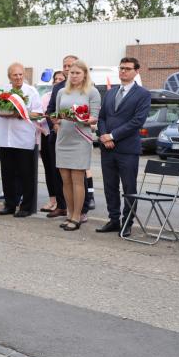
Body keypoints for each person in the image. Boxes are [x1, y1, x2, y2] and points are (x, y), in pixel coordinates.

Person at [96, 57, 151, 237]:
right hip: (108, 149)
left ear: (136, 71)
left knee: (129, 188)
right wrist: (104, 137)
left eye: (127, 69)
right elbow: (102, 117)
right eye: (121, 68)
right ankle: (113, 219)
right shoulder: (111, 93)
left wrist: (112, 136)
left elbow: (137, 122)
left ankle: (127, 222)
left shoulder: (142, 94)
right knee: (109, 186)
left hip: (127, 149)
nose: (123, 72)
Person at [52, 60, 100, 231]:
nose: (73, 76)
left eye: (77, 73)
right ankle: (69, 213)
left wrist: (83, 118)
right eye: (71, 73)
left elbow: (95, 117)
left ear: (84, 74)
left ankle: (77, 216)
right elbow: (57, 114)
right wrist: (55, 120)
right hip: (64, 139)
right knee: (65, 180)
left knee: (77, 179)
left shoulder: (92, 92)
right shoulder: (62, 92)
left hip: (81, 139)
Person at [0, 62, 43, 217]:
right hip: (5, 138)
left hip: (24, 139)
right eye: (15, 75)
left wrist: (21, 114)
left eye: (20, 74)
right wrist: (5, 112)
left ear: (24, 75)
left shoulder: (32, 91)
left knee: (25, 174)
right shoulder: (4, 92)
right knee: (7, 173)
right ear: (9, 76)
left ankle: (26, 207)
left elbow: (38, 113)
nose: (18, 77)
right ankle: (9, 204)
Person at [45, 55, 78, 218]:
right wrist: (55, 124)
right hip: (57, 136)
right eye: (64, 66)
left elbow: (84, 112)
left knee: (76, 176)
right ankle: (61, 205)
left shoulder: (84, 87)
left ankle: (79, 211)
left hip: (75, 137)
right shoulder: (58, 87)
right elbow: (50, 109)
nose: (66, 68)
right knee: (56, 173)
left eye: (70, 65)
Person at [39, 70, 65, 212]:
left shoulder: (67, 95)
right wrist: (52, 124)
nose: (58, 81)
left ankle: (63, 203)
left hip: (61, 136)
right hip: (46, 134)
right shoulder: (46, 96)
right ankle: (53, 200)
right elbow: (45, 113)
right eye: (56, 79)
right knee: (49, 170)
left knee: (60, 171)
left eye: (61, 79)